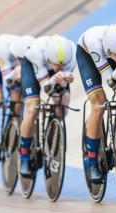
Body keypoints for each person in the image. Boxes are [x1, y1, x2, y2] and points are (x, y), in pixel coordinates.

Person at [76, 24, 116, 182]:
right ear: (109, 50)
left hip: (112, 56)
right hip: (88, 56)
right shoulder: (95, 43)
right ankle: (92, 162)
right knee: (99, 104)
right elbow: (111, 82)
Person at [19, 34, 76, 177]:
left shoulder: (73, 53)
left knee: (62, 107)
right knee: (32, 110)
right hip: (32, 68)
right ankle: (25, 156)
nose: (60, 67)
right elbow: (47, 89)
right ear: (49, 59)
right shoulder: (36, 53)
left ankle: (51, 137)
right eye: (57, 65)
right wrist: (53, 81)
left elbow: (60, 89)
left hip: (53, 73)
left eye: (63, 65)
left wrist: (62, 79)